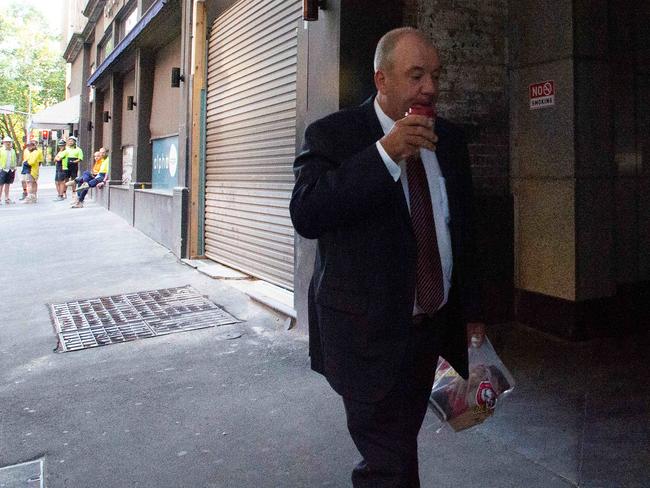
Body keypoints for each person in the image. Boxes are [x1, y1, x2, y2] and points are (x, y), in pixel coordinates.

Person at [289, 27, 485, 487]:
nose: (431, 88)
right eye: (416, 75)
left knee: (400, 449)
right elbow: (307, 212)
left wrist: (474, 314)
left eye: (435, 75)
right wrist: (386, 153)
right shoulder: (334, 135)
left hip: (433, 335)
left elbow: (465, 232)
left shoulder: (449, 140)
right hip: (366, 338)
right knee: (387, 463)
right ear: (381, 80)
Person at [21, 139, 43, 203]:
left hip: (31, 169)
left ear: (34, 146)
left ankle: (30, 197)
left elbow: (32, 162)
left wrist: (26, 163)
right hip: (29, 169)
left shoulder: (36, 152)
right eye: (28, 146)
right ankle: (33, 197)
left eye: (31, 145)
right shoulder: (27, 151)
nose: (29, 147)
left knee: (29, 183)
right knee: (31, 183)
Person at [0, 136, 18, 204]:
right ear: (4, 142)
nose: (8, 143)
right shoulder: (1, 150)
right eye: (7, 142)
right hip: (2, 169)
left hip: (10, 169)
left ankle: (7, 198)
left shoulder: (12, 150)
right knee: (1, 185)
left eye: (9, 142)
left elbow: (14, 159)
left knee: (8, 184)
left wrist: (14, 167)